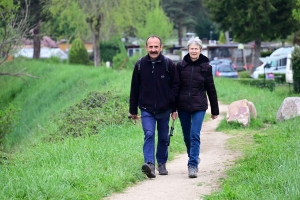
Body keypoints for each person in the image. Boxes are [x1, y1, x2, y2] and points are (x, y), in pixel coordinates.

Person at [129, 36, 180, 178]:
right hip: (146, 109)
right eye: (150, 47)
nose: (153, 49)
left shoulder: (168, 64)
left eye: (156, 47)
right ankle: (150, 165)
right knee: (149, 134)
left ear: (161, 47)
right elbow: (134, 89)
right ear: (146, 48)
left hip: (165, 109)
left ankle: (162, 163)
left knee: (164, 138)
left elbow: (175, 86)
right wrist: (133, 110)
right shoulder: (140, 65)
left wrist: (173, 107)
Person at [176, 36, 219, 178]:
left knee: (195, 134)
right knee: (187, 137)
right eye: (191, 48)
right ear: (187, 50)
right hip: (182, 106)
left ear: (201, 50)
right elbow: (175, 88)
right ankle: (193, 156)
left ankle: (192, 165)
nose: (193, 51)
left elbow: (211, 89)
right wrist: (173, 108)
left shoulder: (206, 67)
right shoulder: (180, 66)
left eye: (196, 48)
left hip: (199, 106)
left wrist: (214, 110)